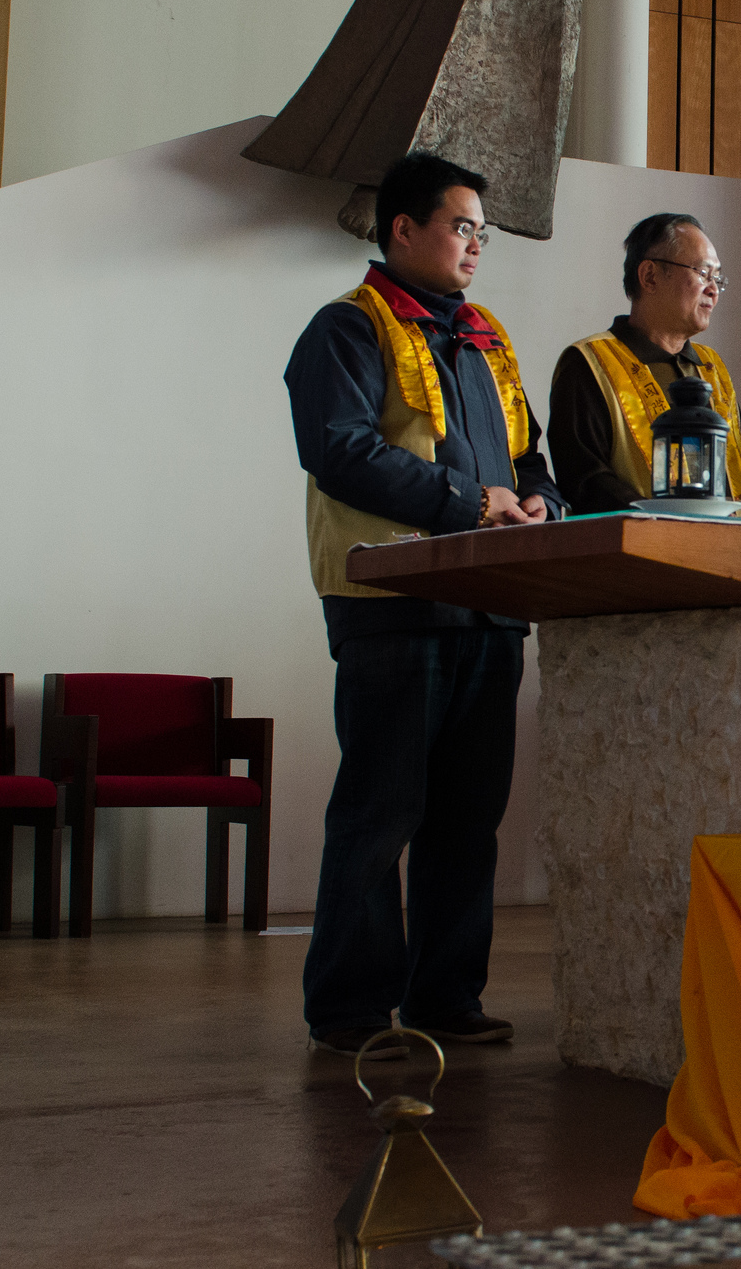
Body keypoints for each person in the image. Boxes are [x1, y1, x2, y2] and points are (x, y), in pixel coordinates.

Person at [285, 152, 562, 1059]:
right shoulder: (344, 329)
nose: (477, 245)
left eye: (483, 232)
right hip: (393, 598)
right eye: (461, 226)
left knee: (466, 820)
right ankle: (352, 1010)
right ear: (402, 229)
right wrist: (471, 501)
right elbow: (342, 451)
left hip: (489, 600)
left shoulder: (487, 339)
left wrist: (538, 506)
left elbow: (529, 460)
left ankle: (446, 996)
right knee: (379, 812)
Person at [547, 213, 741, 516]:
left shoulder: (711, 366)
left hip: (727, 552)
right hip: (640, 554)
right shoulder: (590, 362)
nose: (713, 290)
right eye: (703, 273)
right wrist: (668, 530)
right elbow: (585, 481)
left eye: (718, 278)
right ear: (649, 276)